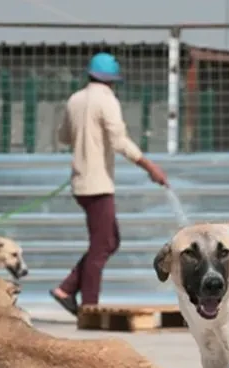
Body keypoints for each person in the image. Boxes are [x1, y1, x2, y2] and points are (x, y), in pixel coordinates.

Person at [50, 52, 169, 315]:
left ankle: (67, 288)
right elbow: (119, 141)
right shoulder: (107, 100)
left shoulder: (75, 99)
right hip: (98, 183)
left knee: (109, 240)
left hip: (81, 182)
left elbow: (64, 136)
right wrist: (150, 167)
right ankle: (89, 307)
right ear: (111, 80)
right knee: (102, 245)